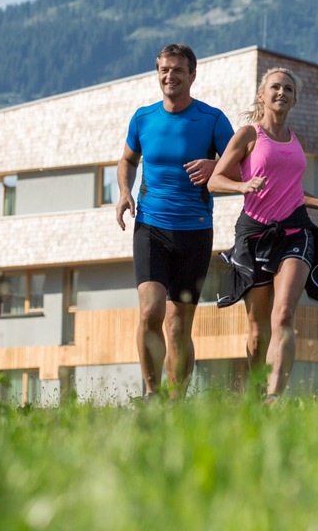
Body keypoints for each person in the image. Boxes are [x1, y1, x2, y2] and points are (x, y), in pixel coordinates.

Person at [208, 67, 318, 401]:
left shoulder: (295, 140)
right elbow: (215, 180)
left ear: (295, 99)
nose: (281, 93)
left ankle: (274, 397)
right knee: (257, 331)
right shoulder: (248, 135)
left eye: (288, 89)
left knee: (283, 314)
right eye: (275, 87)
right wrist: (244, 185)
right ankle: (256, 394)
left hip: (295, 231)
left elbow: (290, 191)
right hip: (255, 233)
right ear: (262, 95)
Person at [115, 43, 235, 400]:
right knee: (151, 311)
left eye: (178, 70)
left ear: (192, 75)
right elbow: (127, 160)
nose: (170, 76)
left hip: (195, 230)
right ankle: (152, 394)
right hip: (151, 225)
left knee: (178, 325)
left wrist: (216, 165)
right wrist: (124, 192)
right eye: (164, 70)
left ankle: (175, 403)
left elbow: (243, 165)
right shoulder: (143, 118)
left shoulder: (212, 119)